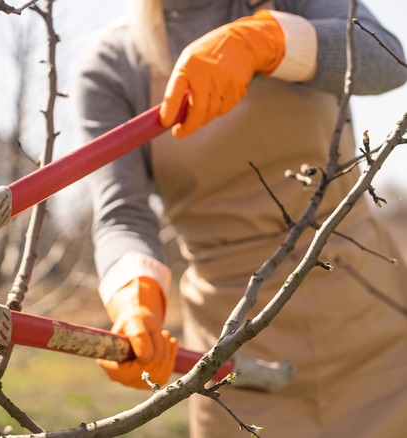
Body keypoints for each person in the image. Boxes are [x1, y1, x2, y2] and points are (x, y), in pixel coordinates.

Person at [75, 0, 407, 436]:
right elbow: (122, 213)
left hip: (368, 316)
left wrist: (264, 40)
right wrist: (135, 299)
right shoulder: (113, 66)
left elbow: (388, 58)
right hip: (234, 347)